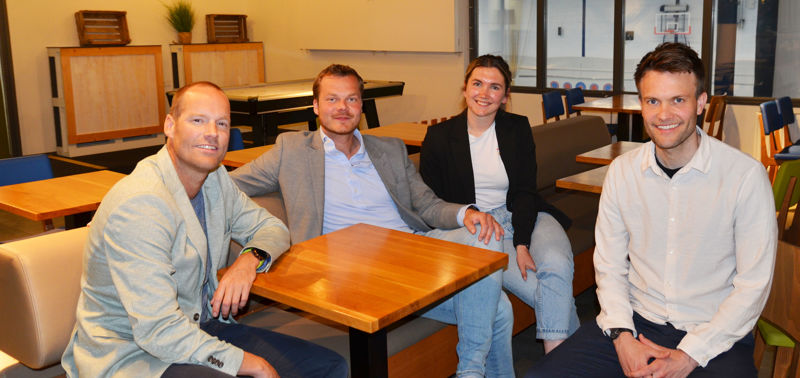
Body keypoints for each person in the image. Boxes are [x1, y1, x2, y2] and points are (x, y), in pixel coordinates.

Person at [231, 64, 515, 378]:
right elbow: (228, 185)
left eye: (351, 99)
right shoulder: (292, 149)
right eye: (332, 99)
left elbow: (426, 204)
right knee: (499, 308)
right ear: (316, 106)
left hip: (417, 251)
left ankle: (470, 372)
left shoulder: (389, 149)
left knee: (486, 232)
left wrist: (467, 214)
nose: (342, 107)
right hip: (356, 273)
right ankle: (472, 372)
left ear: (361, 106)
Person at [61, 82, 347, 378]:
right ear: (170, 126)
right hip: (134, 353)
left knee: (328, 366)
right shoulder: (141, 204)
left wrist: (248, 261)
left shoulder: (214, 179)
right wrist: (253, 364)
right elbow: (158, 331)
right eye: (198, 120)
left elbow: (272, 227)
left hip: (200, 327)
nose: (212, 132)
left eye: (221, 123)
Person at [527, 42, 777, 377]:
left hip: (714, 332)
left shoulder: (744, 177)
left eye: (678, 100)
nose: (664, 114)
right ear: (641, 104)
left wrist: (689, 355)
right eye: (653, 101)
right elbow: (610, 265)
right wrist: (622, 337)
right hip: (636, 321)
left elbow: (753, 285)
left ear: (701, 102)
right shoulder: (622, 172)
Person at [419, 54, 579, 354]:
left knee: (557, 265)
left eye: (495, 87)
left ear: (505, 96)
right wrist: (473, 220)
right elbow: (433, 204)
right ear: (465, 88)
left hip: (526, 214)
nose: (484, 93)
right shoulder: (439, 137)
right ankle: (564, 363)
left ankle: (561, 364)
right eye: (477, 84)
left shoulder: (517, 128)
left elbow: (525, 190)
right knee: (549, 293)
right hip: (482, 231)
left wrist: (522, 243)